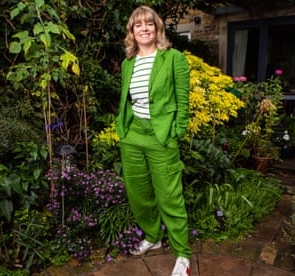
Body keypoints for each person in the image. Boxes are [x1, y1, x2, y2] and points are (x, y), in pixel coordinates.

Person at [115, 5, 191, 276]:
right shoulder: (128, 62)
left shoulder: (173, 59)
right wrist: (121, 128)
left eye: (149, 24)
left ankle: (182, 254)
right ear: (132, 32)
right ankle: (152, 236)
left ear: (157, 28)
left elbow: (183, 100)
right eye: (138, 25)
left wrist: (176, 131)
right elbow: (127, 98)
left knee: (169, 196)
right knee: (138, 193)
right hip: (133, 135)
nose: (144, 29)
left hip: (161, 135)